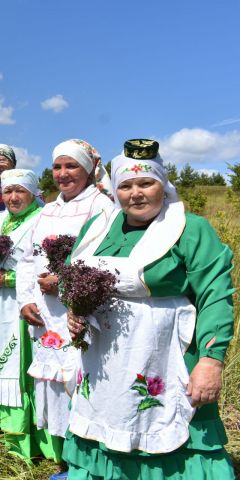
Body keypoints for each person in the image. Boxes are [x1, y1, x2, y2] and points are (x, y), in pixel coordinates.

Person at [63, 140, 235, 479]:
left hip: (164, 355)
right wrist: (75, 309)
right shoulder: (98, 228)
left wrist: (210, 362)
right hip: (104, 359)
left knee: (167, 422)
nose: (135, 193)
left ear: (163, 184)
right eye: (125, 185)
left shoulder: (190, 229)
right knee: (106, 418)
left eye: (146, 183)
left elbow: (215, 295)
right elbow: (72, 275)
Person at [15, 139, 113, 449]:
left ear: (87, 170)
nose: (62, 173)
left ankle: (82, 450)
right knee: (51, 375)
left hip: (80, 310)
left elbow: (104, 259)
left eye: (71, 166)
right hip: (46, 310)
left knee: (80, 373)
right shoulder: (47, 211)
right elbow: (28, 258)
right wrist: (25, 299)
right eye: (57, 166)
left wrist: (64, 282)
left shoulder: (102, 206)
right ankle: (56, 448)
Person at [0, 169, 61, 460]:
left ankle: (42, 440)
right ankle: (13, 437)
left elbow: (46, 265)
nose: (13, 197)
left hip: (27, 303)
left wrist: (10, 279)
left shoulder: (43, 220)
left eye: (20, 191)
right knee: (1, 365)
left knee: (27, 367)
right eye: (8, 191)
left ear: (33, 193)